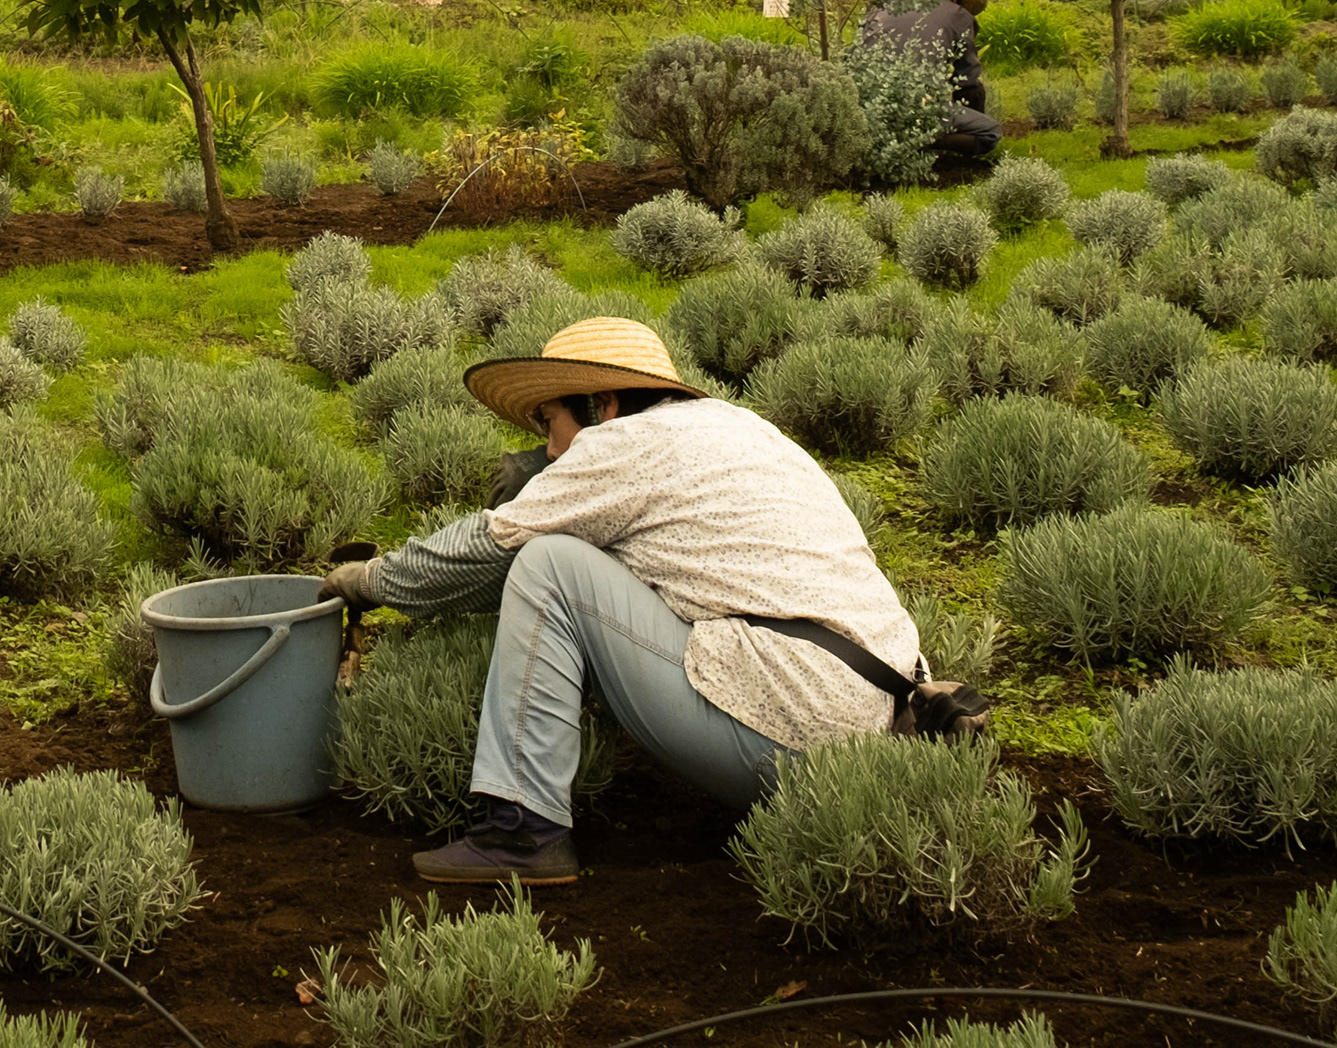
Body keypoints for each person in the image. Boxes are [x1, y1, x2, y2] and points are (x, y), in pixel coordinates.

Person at [323, 317, 931, 885]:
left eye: (548, 421)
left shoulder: (621, 445)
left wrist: (367, 581)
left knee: (549, 562)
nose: (552, 449)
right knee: (569, 560)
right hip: (885, 725)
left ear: (603, 406)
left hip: (796, 735)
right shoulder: (742, 427)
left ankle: (520, 831)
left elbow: (489, 548)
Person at [862, 0, 1000, 180]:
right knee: (990, 132)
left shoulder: (882, 8)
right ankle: (921, 143)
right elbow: (968, 79)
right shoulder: (958, 15)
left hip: (865, 107)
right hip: (912, 108)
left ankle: (887, 139)